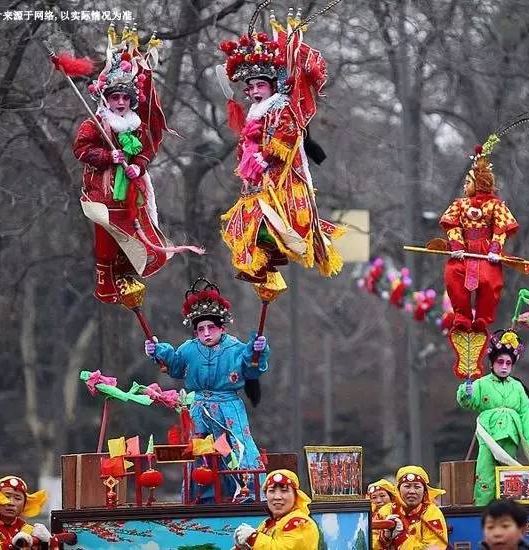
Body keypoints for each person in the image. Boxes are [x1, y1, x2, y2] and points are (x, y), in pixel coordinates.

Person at [219, 10, 344, 283]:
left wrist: (266, 156)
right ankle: (261, 261)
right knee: (246, 221)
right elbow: (246, 143)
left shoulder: (282, 107)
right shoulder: (254, 112)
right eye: (250, 87)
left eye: (260, 85)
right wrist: (249, 157)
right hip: (256, 183)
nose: (254, 91)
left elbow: (286, 136)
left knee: (272, 219)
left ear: (272, 85)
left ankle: (272, 254)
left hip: (281, 178)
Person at [73, 26, 193, 303]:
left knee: (133, 236)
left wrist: (137, 165)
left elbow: (147, 151)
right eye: (115, 97)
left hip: (131, 191)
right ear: (107, 98)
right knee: (106, 241)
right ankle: (106, 283)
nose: (120, 102)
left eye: (125, 98)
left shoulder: (137, 126)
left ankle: (127, 277)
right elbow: (81, 149)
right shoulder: (95, 124)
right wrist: (107, 157)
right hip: (102, 194)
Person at [144, 278, 269, 501]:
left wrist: (257, 351)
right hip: (199, 409)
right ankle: (203, 496)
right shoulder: (188, 349)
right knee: (201, 451)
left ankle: (247, 494)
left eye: (211, 327)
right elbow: (174, 365)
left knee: (236, 446)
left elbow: (252, 369)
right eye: (201, 329)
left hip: (228, 407)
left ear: (222, 327)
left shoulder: (236, 348)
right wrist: (157, 350)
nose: (206, 333)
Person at [440, 140, 518, 333]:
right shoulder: (460, 204)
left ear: (479, 183)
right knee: (453, 276)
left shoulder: (496, 205)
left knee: (490, 281)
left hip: (486, 252)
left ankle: (483, 318)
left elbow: (501, 227)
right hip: (463, 252)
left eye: (468, 182)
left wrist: (495, 249)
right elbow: (451, 224)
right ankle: (462, 316)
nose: (465, 186)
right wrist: (456, 245)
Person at [457, 330, 529, 506]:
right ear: (492, 363)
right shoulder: (481, 383)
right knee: (485, 472)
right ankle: (482, 508)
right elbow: (468, 402)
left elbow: (526, 413)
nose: (504, 366)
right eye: (500, 362)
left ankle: (507, 509)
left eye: (508, 363)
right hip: (488, 433)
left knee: (509, 474)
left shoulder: (517, 387)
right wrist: (466, 389)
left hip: (511, 433)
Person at [233, 469, 319, 549]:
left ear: (296, 495)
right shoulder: (266, 524)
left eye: (284, 490)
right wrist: (242, 547)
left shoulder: (301, 523)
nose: (277, 497)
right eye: (272, 491)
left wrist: (253, 538)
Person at [373, 465, 448, 550]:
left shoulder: (432, 512)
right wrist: (384, 537)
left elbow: (435, 547)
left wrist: (402, 537)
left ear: (424, 491)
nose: (412, 491)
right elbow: (369, 543)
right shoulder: (385, 511)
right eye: (407, 486)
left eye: (417, 487)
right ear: (398, 489)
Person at [0, 475, 57, 549]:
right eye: (6, 497)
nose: (11, 503)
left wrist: (50, 543)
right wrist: (11, 544)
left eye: (18, 498)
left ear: (25, 504)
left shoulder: (31, 531)